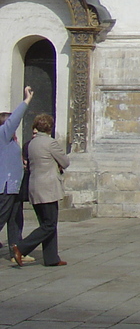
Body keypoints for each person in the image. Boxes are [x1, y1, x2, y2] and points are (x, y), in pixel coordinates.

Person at [11, 112, 68, 267]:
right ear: (49, 127)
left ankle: (51, 258)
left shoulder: (31, 144)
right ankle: (21, 248)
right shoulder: (50, 143)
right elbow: (65, 161)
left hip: (34, 186)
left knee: (45, 222)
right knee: (49, 224)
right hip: (48, 188)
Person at [0, 87, 33, 261]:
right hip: (5, 186)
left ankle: (16, 251)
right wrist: (27, 100)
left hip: (14, 186)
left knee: (15, 220)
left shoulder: (10, 141)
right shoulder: (2, 135)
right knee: (2, 217)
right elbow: (15, 119)